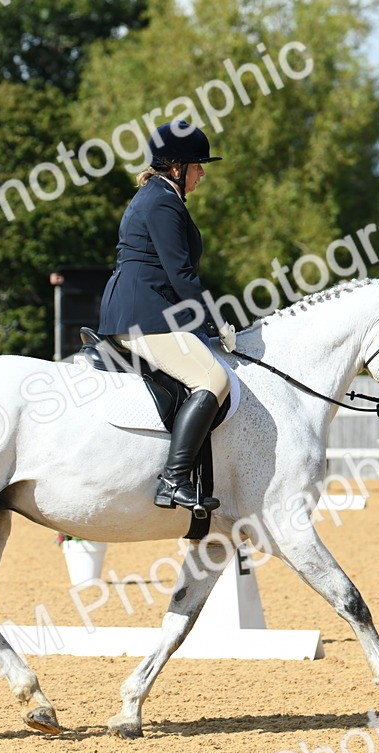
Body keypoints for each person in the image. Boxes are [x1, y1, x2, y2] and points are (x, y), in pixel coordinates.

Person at [98, 120, 235, 514]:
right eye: (198, 166)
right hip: (144, 314)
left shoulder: (158, 195)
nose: (203, 173)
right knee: (213, 378)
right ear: (177, 168)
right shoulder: (161, 202)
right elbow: (182, 275)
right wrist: (214, 323)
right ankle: (173, 480)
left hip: (144, 309)